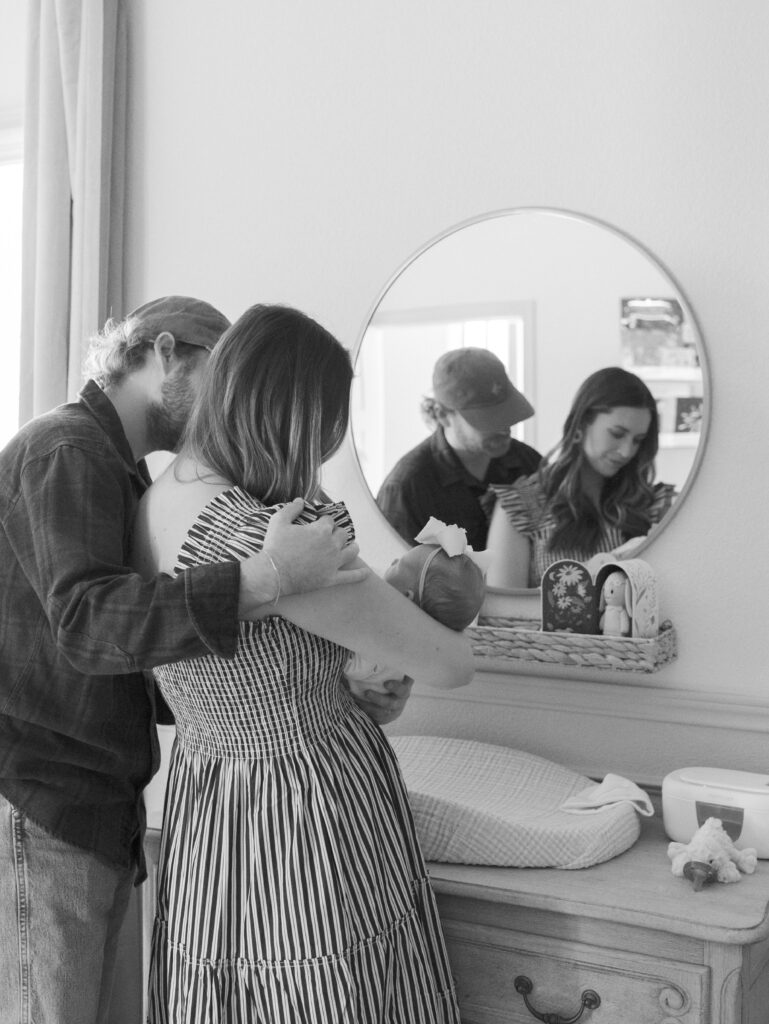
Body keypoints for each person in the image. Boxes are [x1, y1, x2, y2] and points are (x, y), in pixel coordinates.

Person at [0, 295, 373, 1024]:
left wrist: (318, 681)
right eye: (219, 373)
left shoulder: (127, 473)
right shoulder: (66, 451)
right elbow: (86, 623)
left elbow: (124, 654)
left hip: (92, 800)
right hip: (47, 795)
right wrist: (265, 578)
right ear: (165, 353)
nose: (226, 406)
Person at [133, 303, 474, 1023]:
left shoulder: (160, 495)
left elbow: (242, 663)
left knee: (234, 988)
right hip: (302, 805)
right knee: (324, 986)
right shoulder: (271, 540)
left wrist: (344, 676)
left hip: (210, 795)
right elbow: (449, 664)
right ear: (295, 419)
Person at [485, 366, 676, 589]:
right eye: (617, 434)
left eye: (638, 440)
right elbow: (507, 612)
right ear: (581, 424)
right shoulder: (521, 506)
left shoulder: (650, 504)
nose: (626, 451)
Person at [376, 347, 542, 551]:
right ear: (443, 415)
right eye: (488, 419)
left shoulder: (529, 463)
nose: (504, 428)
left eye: (507, 413)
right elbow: (396, 574)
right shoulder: (407, 488)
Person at [346, 530, 486, 697]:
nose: (393, 560)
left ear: (406, 597)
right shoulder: (414, 645)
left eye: (398, 565)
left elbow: (352, 665)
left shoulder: (383, 639)